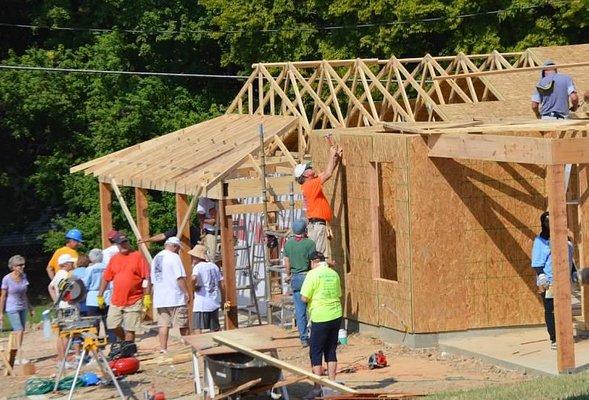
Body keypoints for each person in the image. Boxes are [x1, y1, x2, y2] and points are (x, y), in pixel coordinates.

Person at [300, 251, 343, 399]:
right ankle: (332, 384)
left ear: (313, 262)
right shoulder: (334, 274)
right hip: (336, 314)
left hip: (320, 316)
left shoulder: (312, 275)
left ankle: (317, 387)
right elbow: (338, 294)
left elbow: (304, 298)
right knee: (331, 349)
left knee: (315, 351)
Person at [531, 211, 575, 350]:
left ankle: (565, 336)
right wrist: (541, 275)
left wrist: (574, 272)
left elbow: (569, 258)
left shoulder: (565, 239)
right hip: (548, 281)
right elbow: (537, 262)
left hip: (564, 281)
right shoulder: (541, 241)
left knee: (565, 308)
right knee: (551, 310)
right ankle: (554, 338)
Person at [98, 233, 151, 343]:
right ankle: (124, 343)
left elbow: (146, 278)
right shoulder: (114, 259)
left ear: (128, 242)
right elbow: (106, 278)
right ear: (117, 245)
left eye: (125, 242)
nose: (123, 245)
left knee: (130, 329)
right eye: (120, 243)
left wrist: (147, 296)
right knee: (112, 324)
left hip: (134, 300)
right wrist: (100, 295)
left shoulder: (137, 257)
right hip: (116, 300)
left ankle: (128, 351)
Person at [293, 145, 342, 257]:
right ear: (305, 174)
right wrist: (331, 154)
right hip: (317, 226)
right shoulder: (310, 185)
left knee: (320, 254)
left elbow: (328, 172)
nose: (311, 168)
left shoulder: (310, 183)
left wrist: (335, 158)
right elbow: (328, 174)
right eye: (308, 168)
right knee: (321, 257)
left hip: (316, 225)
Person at [151, 237, 190, 353]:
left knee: (163, 325)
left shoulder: (156, 258)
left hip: (160, 297)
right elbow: (179, 277)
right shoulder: (174, 257)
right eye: (178, 248)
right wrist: (186, 292)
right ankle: (188, 348)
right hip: (175, 296)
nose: (178, 250)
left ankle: (163, 348)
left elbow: (153, 280)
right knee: (183, 324)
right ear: (174, 246)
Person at [284, 219, 316, 346]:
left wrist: (288, 275)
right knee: (313, 307)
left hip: (296, 278)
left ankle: (303, 338)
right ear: (305, 230)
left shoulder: (288, 244)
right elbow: (313, 262)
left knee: (300, 310)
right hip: (307, 276)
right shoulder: (310, 243)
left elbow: (287, 263)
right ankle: (314, 335)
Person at [0, 255, 33, 365]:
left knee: (21, 331)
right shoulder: (6, 279)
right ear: (13, 267)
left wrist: (30, 307)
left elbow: (24, 294)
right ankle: (19, 356)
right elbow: (3, 296)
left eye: (23, 264)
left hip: (22, 306)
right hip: (11, 307)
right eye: (19, 265)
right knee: (18, 330)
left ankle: (16, 353)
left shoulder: (24, 276)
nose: (22, 266)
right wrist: (1, 313)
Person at [48, 254, 77, 365]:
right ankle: (63, 359)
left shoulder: (58, 274)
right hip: (68, 306)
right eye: (71, 262)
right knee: (67, 334)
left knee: (62, 334)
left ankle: (61, 358)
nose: (73, 264)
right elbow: (69, 292)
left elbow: (50, 287)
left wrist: (56, 302)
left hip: (61, 306)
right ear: (65, 264)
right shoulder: (66, 275)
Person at [84, 249, 116, 343]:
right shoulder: (108, 267)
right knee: (109, 321)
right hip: (107, 295)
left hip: (93, 297)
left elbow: (85, 283)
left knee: (94, 324)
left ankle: (95, 343)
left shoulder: (89, 269)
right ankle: (112, 341)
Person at [189, 244, 223, 333]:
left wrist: (193, 287)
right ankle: (216, 344)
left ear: (196, 257)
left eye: (193, 257)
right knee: (214, 327)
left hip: (202, 301)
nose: (192, 259)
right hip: (214, 300)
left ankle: (199, 345)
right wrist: (223, 298)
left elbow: (193, 278)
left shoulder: (198, 267)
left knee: (197, 326)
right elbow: (221, 283)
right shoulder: (214, 266)